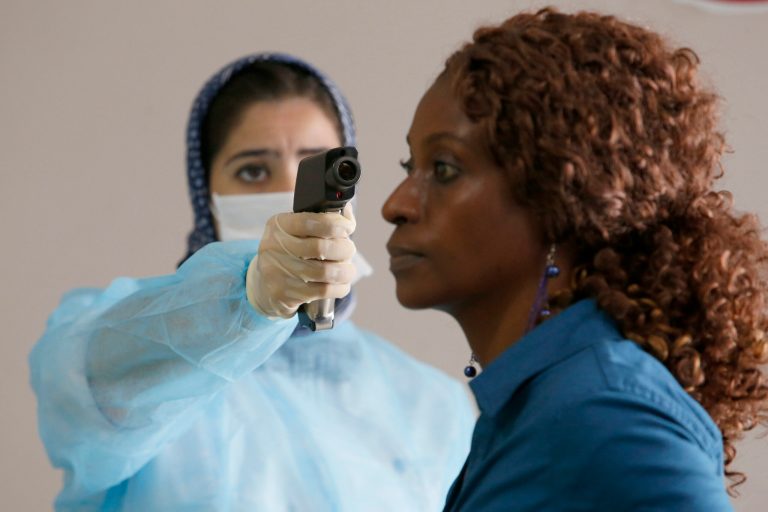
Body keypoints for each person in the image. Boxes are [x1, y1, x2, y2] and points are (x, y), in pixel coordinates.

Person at [30, 53, 474, 511]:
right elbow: (88, 381)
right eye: (253, 171)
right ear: (207, 193)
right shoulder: (129, 352)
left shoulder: (431, 408)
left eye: (316, 169)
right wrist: (246, 300)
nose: (289, 194)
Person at [382, 8, 767, 511]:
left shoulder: (604, 409)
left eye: (445, 168)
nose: (397, 204)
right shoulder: (538, 404)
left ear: (561, 198)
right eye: (411, 166)